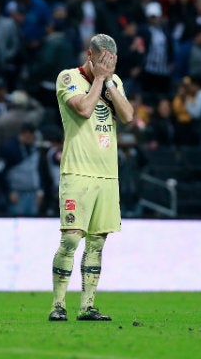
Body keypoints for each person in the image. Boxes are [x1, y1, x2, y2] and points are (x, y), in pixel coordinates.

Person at [49, 34, 133, 322]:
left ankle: (88, 306)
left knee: (97, 243)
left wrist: (109, 81)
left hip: (107, 174)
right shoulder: (68, 77)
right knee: (71, 239)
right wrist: (98, 79)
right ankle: (58, 305)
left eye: (112, 62)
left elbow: (128, 116)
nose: (107, 66)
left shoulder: (114, 81)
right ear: (90, 55)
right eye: (102, 61)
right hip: (77, 172)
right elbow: (84, 110)